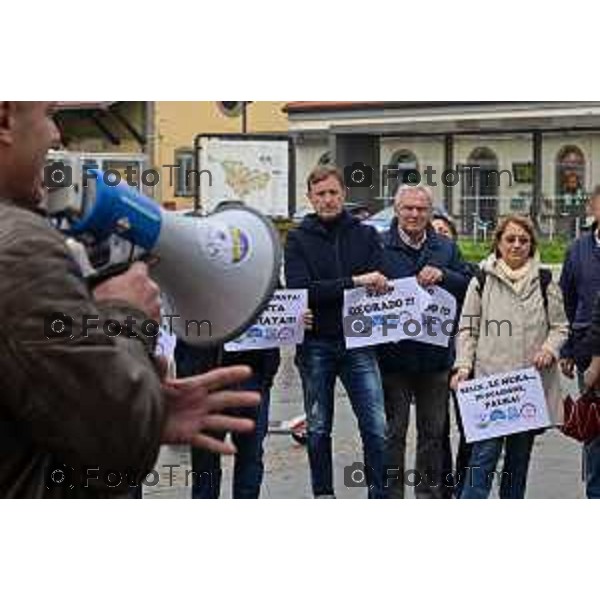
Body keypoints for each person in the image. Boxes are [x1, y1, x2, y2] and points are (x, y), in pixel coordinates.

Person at [0, 101, 259, 498]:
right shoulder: (21, 248)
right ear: (4, 120)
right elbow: (115, 447)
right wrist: (126, 317)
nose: (56, 135)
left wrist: (144, 405)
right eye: (49, 115)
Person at [285, 165, 389, 499]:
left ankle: (378, 494)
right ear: (310, 198)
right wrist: (355, 282)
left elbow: (381, 280)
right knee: (317, 428)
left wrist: (333, 289)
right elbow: (303, 290)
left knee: (376, 427)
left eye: (333, 193)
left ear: (343, 193)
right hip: (316, 345)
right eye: (320, 194)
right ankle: (324, 495)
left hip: (359, 342)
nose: (328, 200)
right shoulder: (298, 239)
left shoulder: (366, 234)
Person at [452, 215, 568, 499]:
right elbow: (467, 329)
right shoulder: (481, 280)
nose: (517, 245)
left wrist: (549, 349)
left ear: (531, 245)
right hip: (491, 388)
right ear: (499, 243)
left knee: (517, 463)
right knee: (482, 459)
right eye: (510, 239)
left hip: (529, 389)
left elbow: (560, 326)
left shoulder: (544, 281)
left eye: (523, 240)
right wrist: (463, 366)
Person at [377, 186, 471, 499]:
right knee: (393, 434)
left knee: (432, 434)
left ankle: (428, 497)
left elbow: (468, 287)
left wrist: (444, 274)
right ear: (396, 210)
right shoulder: (378, 246)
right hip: (393, 359)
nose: (414, 214)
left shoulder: (445, 247)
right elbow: (359, 289)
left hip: (435, 360)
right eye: (408, 208)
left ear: (430, 213)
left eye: (421, 209)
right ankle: (391, 497)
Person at [559, 186, 600, 498]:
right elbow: (567, 302)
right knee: (594, 428)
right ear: (592, 207)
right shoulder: (578, 249)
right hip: (588, 351)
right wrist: (569, 350)